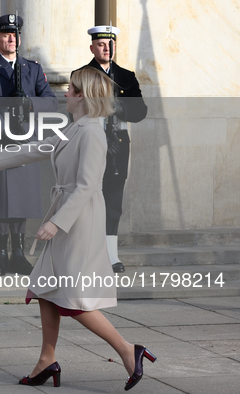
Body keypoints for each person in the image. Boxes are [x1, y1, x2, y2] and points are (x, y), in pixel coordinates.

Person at [0, 67, 156, 391]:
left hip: (79, 222)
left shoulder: (92, 133)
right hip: (68, 217)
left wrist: (55, 222)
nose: (65, 93)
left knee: (73, 299)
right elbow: (37, 147)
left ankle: (127, 350)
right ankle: (46, 360)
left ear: (83, 96)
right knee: (45, 289)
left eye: (71, 90)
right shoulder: (75, 126)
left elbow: (86, 186)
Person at [0, 14, 58, 276]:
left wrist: (29, 103)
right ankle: (1, 254)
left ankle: (19, 254)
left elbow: (51, 102)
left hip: (25, 141)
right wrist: (2, 123)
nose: (11, 39)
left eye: (15, 35)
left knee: (20, 199)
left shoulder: (32, 68)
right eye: (6, 35)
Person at [73, 26, 148, 273]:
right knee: (86, 198)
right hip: (91, 142)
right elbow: (73, 111)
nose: (107, 48)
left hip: (117, 144)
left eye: (110, 44)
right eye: (102, 44)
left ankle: (111, 255)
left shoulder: (126, 77)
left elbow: (140, 112)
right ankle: (87, 253)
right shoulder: (82, 75)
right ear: (92, 47)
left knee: (113, 202)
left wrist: (119, 108)